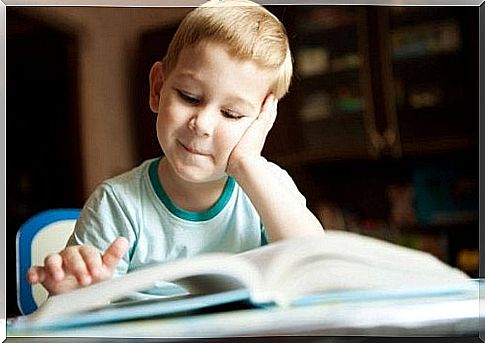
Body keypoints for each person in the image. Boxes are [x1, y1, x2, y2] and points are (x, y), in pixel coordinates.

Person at [27, 0, 324, 297]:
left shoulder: (268, 188)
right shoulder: (117, 204)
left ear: (263, 121)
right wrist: (70, 296)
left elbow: (317, 271)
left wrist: (246, 162)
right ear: (158, 88)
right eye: (189, 97)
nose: (203, 124)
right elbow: (76, 319)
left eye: (231, 114)